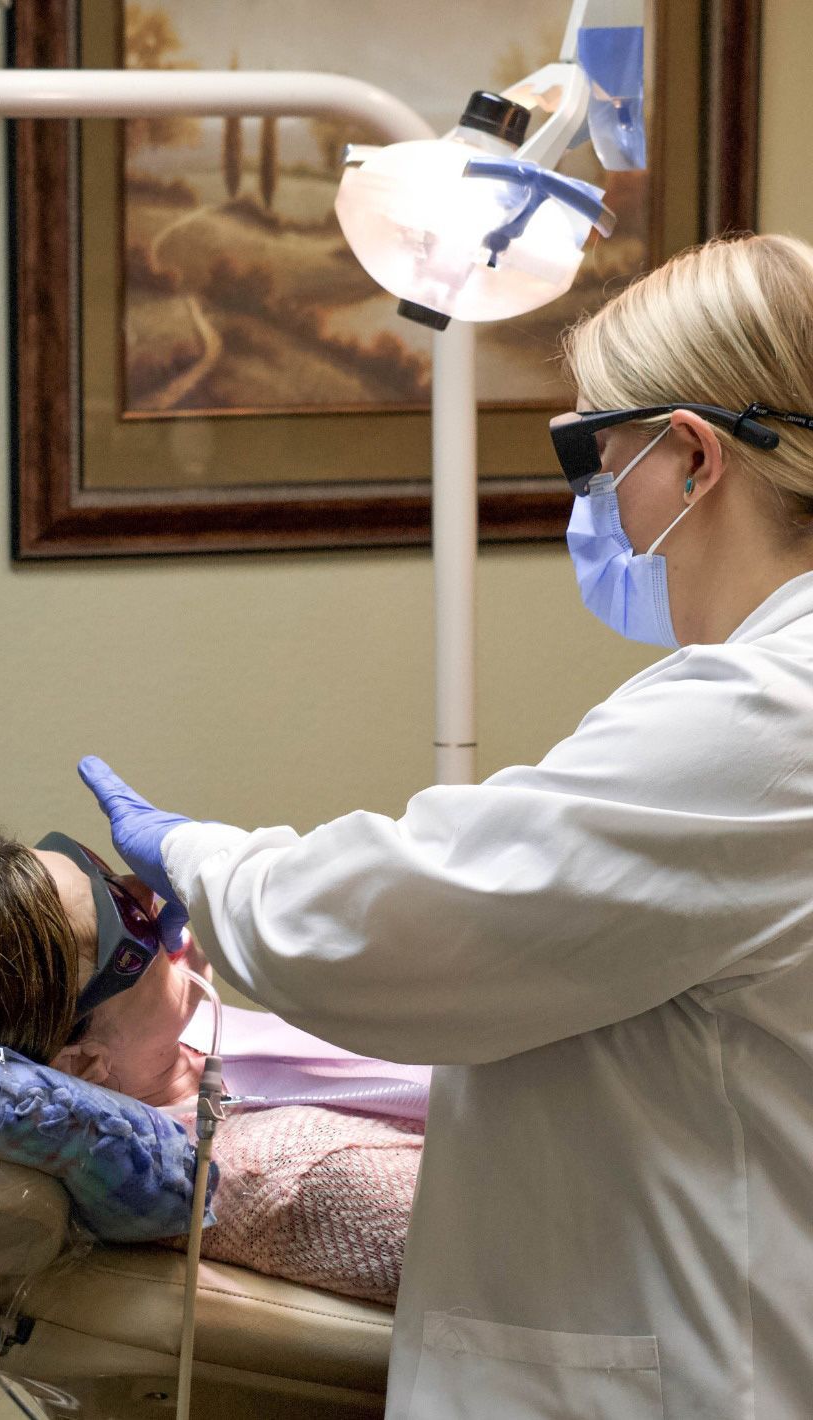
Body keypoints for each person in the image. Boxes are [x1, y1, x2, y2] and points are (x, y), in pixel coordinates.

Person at [79, 234, 813, 1420]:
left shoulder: (764, 719)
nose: (588, 502)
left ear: (690, 458)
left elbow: (396, 925)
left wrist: (206, 860)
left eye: (594, 453)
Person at [0, 832, 425, 1305]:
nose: (153, 894)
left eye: (104, 872)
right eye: (126, 919)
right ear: (78, 1061)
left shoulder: (181, 1047)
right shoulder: (304, 1178)